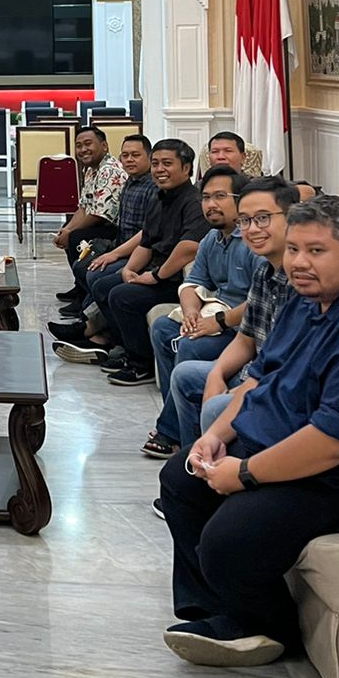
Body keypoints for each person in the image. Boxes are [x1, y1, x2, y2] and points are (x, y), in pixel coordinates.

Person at [159, 194, 339, 668]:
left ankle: (270, 628)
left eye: (316, 251)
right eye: (293, 249)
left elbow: (333, 443)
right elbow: (259, 377)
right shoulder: (306, 300)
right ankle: (213, 611)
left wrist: (244, 473)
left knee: (229, 540)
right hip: (292, 441)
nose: (298, 262)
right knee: (180, 478)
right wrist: (217, 436)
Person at [166, 176, 298, 454]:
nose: (252, 229)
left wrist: (237, 390)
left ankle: (206, 460)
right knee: (184, 374)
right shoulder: (265, 272)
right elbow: (246, 339)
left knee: (213, 402)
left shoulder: (303, 281)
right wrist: (217, 373)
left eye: (263, 218)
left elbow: (288, 370)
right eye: (245, 221)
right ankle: (190, 450)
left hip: (276, 384)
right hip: (252, 367)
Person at [141, 168, 259, 458]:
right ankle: (176, 427)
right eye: (205, 198)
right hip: (213, 315)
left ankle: (172, 434)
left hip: (238, 327)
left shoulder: (253, 241)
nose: (210, 205)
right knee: (163, 329)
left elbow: (259, 303)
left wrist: (217, 323)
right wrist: (191, 312)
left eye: (220, 196)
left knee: (190, 345)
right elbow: (192, 283)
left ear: (241, 200)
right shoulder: (211, 239)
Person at [79, 139, 209, 386]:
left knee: (123, 296)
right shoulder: (158, 197)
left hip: (177, 279)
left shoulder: (194, 201)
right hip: (155, 270)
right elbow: (146, 242)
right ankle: (124, 348)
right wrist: (129, 269)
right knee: (103, 285)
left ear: (186, 168)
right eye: (155, 163)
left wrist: (155, 276)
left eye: (167, 163)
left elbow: (188, 248)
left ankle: (141, 365)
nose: (159, 169)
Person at [53, 125, 126, 298]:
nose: (83, 150)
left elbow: (100, 215)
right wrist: (66, 229)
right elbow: (84, 207)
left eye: (88, 144)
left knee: (75, 237)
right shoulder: (91, 169)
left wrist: (70, 232)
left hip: (115, 228)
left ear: (104, 146)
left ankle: (85, 293)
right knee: (70, 232)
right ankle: (80, 285)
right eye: (78, 146)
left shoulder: (109, 170)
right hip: (100, 221)